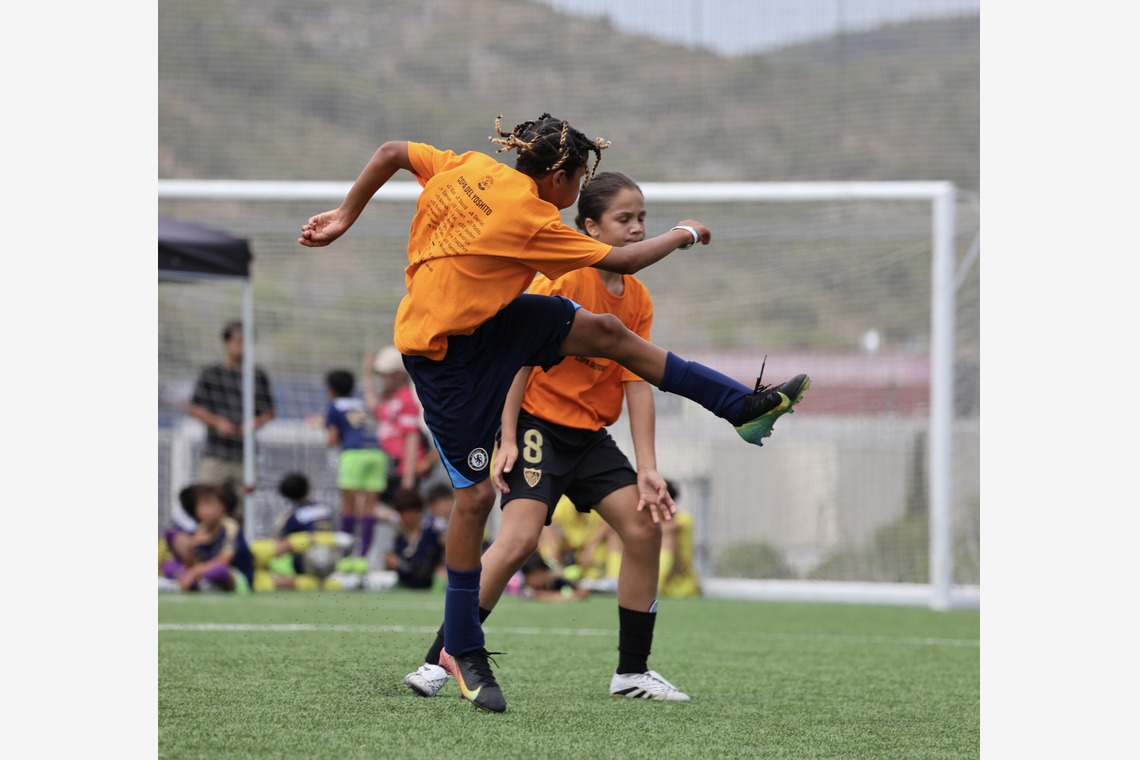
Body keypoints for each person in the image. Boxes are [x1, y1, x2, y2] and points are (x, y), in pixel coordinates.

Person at [299, 113, 810, 713]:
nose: (575, 195)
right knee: (474, 502)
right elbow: (622, 262)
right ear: (562, 178)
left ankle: (739, 406)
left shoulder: (470, 167)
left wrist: (342, 217)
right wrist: (684, 234)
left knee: (607, 333)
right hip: (443, 357)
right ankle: (459, 647)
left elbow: (390, 150)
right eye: (580, 182)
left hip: (492, 326)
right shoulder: (533, 220)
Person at [402, 170, 709, 705]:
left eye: (642, 219)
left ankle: (631, 673)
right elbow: (517, 356)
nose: (637, 228)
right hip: (536, 428)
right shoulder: (563, 279)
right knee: (518, 541)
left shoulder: (637, 299)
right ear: (590, 227)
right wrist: (508, 435)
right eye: (624, 219)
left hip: (590, 437)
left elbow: (638, 382)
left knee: (643, 529)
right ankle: (439, 660)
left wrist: (648, 466)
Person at [185, 320, 275, 520]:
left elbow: (269, 412)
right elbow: (193, 407)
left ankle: (235, 547)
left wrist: (252, 424)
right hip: (216, 452)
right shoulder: (211, 373)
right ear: (226, 343)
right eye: (237, 341)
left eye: (245, 342)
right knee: (209, 502)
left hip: (245, 454)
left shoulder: (257, 375)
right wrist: (218, 423)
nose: (241, 346)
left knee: (241, 509)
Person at [323, 369, 388, 575]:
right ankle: (361, 560)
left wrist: (322, 429)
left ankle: (344, 560)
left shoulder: (334, 406)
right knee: (370, 509)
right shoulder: (360, 404)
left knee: (348, 507)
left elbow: (332, 440)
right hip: (377, 453)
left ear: (331, 389)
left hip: (354, 456)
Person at [362, 346, 437, 506]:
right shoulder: (388, 398)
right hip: (389, 466)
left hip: (404, 469)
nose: (382, 380)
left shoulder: (405, 399)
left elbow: (412, 437)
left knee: (405, 510)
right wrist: (367, 375)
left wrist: (407, 478)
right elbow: (372, 405)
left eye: (386, 376)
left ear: (398, 375)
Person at [251, 471, 351, 591]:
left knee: (275, 558)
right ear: (307, 488)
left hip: (305, 561)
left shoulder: (292, 515)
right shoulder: (324, 508)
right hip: (333, 556)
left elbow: (283, 541)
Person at [160, 483, 254, 593]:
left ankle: (191, 584)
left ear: (223, 507)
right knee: (168, 565)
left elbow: (224, 560)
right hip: (201, 574)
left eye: (211, 505)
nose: (207, 511)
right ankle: (195, 585)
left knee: (220, 570)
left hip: (234, 576)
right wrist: (192, 543)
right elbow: (192, 560)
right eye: (202, 506)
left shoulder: (231, 527)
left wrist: (193, 572)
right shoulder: (199, 529)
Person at [385, 487, 447, 590]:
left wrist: (444, 566)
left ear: (417, 510)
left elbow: (450, 548)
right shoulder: (398, 532)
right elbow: (391, 558)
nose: (403, 516)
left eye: (406, 512)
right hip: (406, 579)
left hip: (432, 579)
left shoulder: (434, 527)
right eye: (401, 512)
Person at [658, 479, 700, 599]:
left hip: (680, 577)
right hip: (661, 573)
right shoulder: (655, 521)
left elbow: (662, 530)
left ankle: (658, 582)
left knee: (669, 541)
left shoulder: (683, 520)